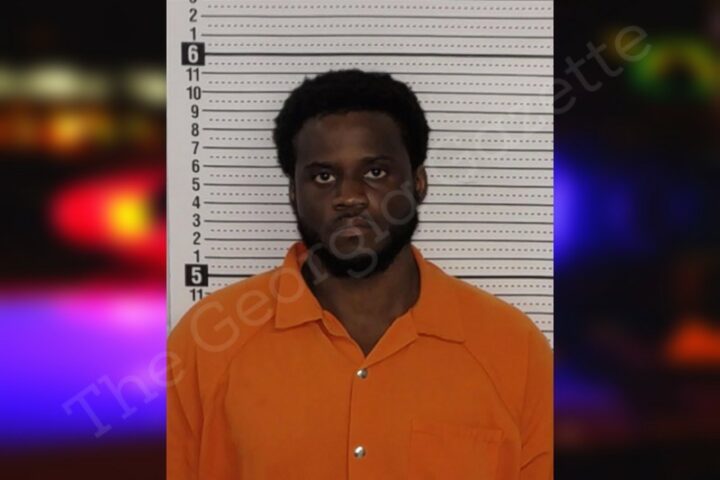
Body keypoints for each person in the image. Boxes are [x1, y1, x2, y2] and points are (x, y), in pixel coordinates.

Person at [167, 69, 552, 479]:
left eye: (375, 172)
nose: (349, 197)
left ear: (419, 182)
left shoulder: (514, 350)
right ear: (293, 193)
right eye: (324, 176)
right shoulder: (208, 345)